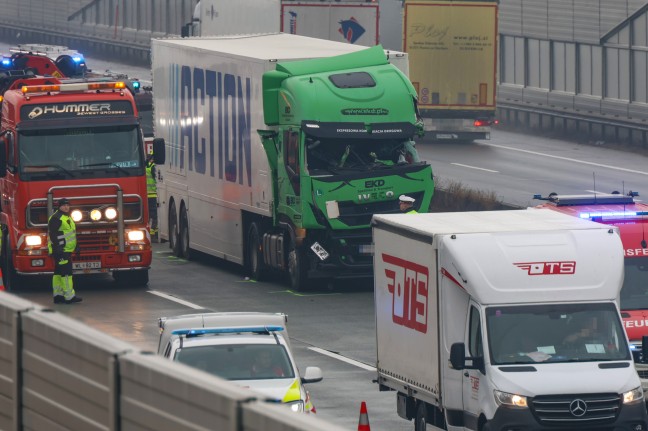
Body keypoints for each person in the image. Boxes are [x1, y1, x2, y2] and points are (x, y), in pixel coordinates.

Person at [47, 198, 82, 304]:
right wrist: (58, 248)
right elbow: (52, 234)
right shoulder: (56, 218)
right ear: (59, 206)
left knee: (58, 273)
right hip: (62, 250)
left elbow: (71, 233)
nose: (66, 207)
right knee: (66, 273)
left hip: (66, 249)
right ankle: (69, 296)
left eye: (67, 205)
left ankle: (58, 295)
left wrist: (76, 246)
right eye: (64, 205)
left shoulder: (67, 217)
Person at [146, 150, 158, 241]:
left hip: (147, 195)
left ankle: (151, 231)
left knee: (149, 214)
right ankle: (154, 232)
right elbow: (157, 181)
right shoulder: (153, 167)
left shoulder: (146, 167)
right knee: (155, 214)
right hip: (153, 194)